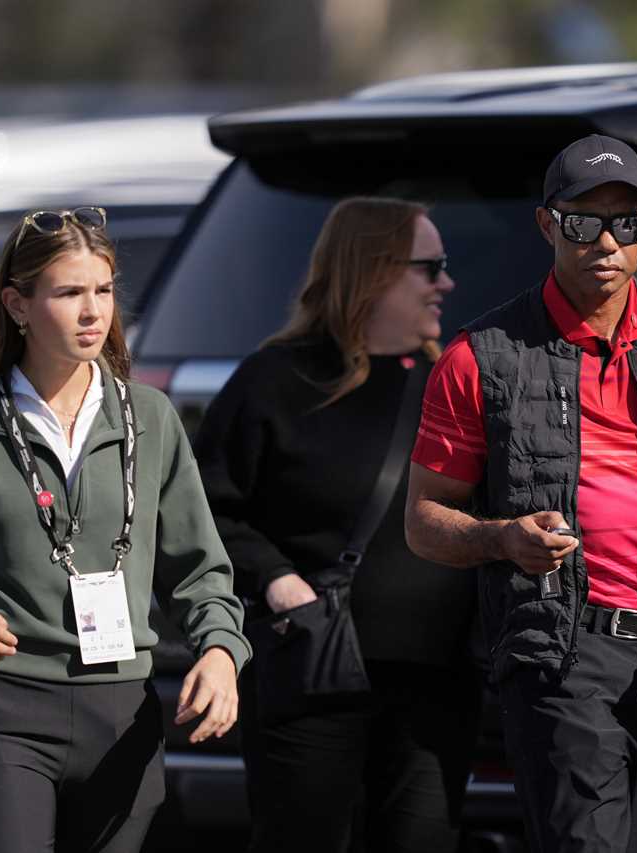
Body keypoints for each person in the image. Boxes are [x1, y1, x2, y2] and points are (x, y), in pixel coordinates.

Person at [405, 134, 637, 853]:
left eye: (625, 222)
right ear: (548, 225)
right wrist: (501, 537)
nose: (606, 240)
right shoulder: (482, 356)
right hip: (561, 654)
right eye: (583, 221)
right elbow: (423, 520)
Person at [0, 206, 250, 853]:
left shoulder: (151, 418)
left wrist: (220, 651)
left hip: (123, 712)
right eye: (70, 292)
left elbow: (201, 572)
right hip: (0, 711)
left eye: (103, 289)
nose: (94, 310)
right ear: (17, 305)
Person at [194, 197, 479, 853]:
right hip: (312, 672)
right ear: (374, 271)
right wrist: (276, 579)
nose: (447, 282)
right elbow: (206, 509)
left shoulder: (454, 383)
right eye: (429, 267)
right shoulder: (275, 379)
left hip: (435, 689)